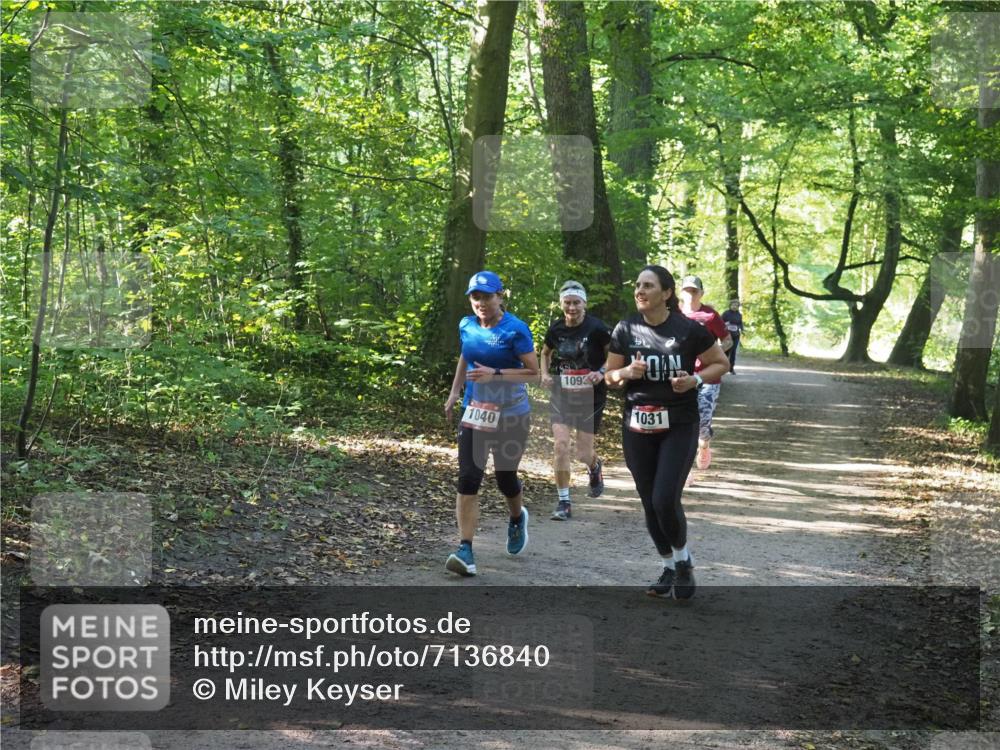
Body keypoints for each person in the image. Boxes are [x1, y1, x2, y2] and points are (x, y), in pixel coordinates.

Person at [605, 266, 729, 600]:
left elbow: (721, 363)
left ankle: (683, 561)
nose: (640, 291)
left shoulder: (688, 330)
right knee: (649, 501)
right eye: (637, 285)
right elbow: (608, 376)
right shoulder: (626, 328)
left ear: (667, 293)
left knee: (664, 498)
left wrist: (695, 380)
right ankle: (669, 565)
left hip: (679, 424)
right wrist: (626, 372)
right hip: (637, 425)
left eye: (648, 285)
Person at [443, 271, 539, 577]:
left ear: (500, 296)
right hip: (475, 411)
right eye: (476, 297)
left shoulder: (515, 329)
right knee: (468, 477)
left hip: (512, 414)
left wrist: (495, 374)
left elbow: (534, 373)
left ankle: (517, 517)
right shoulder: (466, 325)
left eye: (487, 296)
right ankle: (465, 549)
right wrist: (455, 391)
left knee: (505, 477)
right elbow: (466, 355)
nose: (481, 303)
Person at [540, 281, 611, 520]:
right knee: (560, 445)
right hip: (562, 394)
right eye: (567, 303)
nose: (572, 307)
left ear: (584, 304)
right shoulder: (556, 328)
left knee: (582, 453)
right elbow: (545, 353)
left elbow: (614, 355)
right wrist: (545, 374)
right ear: (561, 304)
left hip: (591, 396)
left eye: (576, 303)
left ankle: (594, 466)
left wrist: (601, 372)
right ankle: (564, 502)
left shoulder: (597, 328)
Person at [678, 276, 732, 471]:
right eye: (687, 290)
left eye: (694, 291)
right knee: (682, 423)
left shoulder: (710, 316)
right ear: (681, 293)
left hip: (708, 377)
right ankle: (685, 469)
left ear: (701, 293)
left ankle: (704, 445)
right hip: (682, 377)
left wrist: (713, 355)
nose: (690, 294)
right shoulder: (674, 315)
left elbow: (727, 340)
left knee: (702, 423)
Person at [721, 299, 744, 373]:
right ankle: (723, 367)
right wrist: (725, 324)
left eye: (736, 305)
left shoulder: (739, 315)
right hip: (727, 335)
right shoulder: (726, 313)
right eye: (733, 305)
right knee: (726, 351)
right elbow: (720, 322)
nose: (734, 307)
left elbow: (740, 324)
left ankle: (731, 368)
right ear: (730, 305)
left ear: (738, 307)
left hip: (736, 335)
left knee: (733, 351)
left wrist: (741, 328)